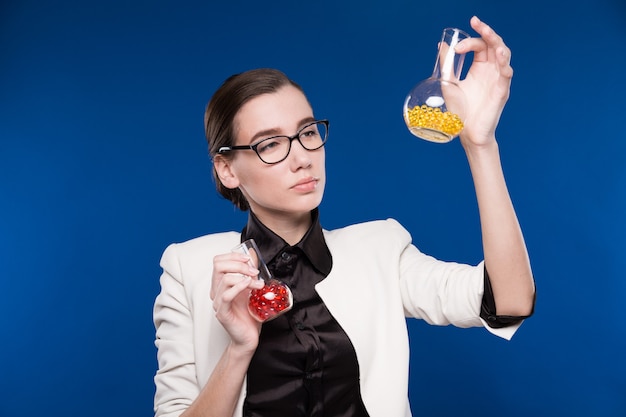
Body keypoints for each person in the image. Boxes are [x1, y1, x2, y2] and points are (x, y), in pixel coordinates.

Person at [153, 16, 535, 417]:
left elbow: (508, 302)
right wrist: (239, 349)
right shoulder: (189, 268)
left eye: (308, 133)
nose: (301, 158)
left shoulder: (380, 251)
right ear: (227, 169)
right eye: (270, 144)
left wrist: (481, 144)